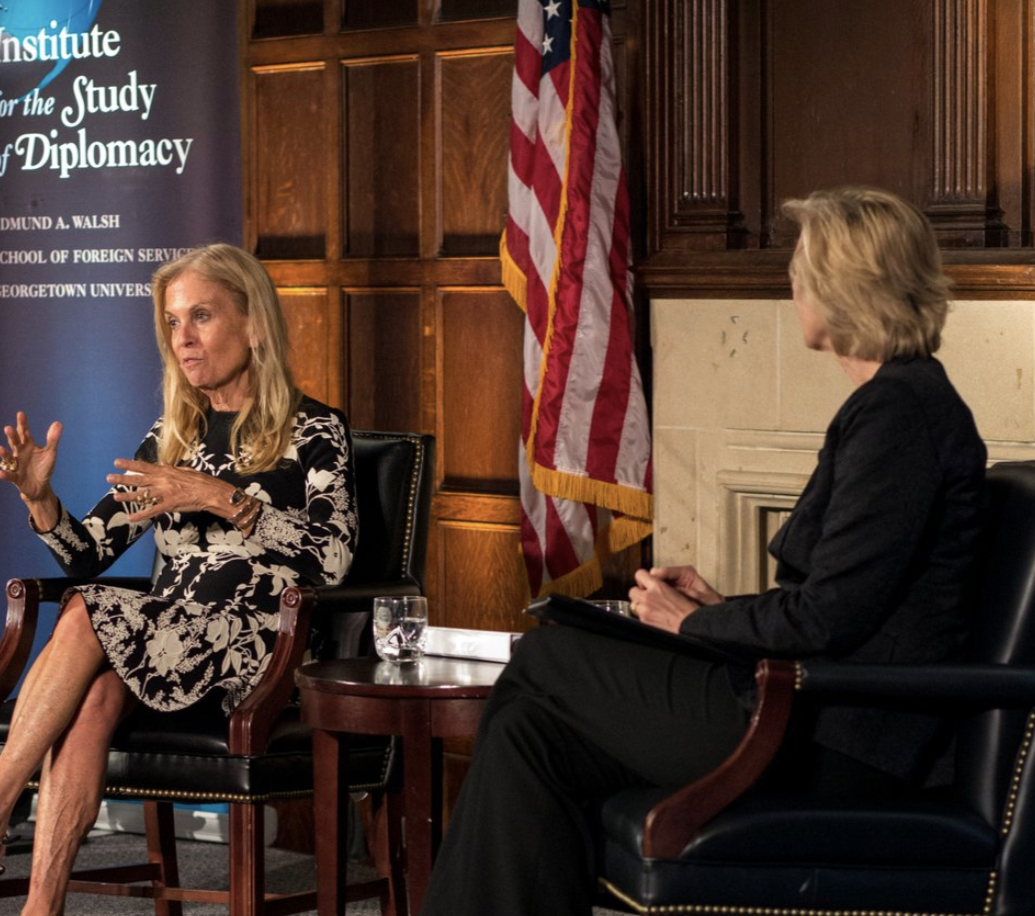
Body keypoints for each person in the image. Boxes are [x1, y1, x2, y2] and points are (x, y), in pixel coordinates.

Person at [419, 187, 988, 916]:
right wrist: (717, 607)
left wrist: (689, 624)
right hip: (808, 704)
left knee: (545, 659)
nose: (792, 283)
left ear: (849, 287)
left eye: (803, 267)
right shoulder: (899, 404)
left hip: (837, 738)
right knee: (535, 733)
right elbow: (846, 598)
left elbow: (829, 618)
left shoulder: (901, 414)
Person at [0, 243, 359, 914]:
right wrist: (42, 501)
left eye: (202, 316)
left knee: (92, 611)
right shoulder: (173, 434)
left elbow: (331, 557)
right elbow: (87, 552)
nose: (184, 338)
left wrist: (216, 496)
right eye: (173, 322)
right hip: (168, 642)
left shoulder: (315, 430)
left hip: (260, 651)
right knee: (93, 696)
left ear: (255, 323)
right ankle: (41, 906)